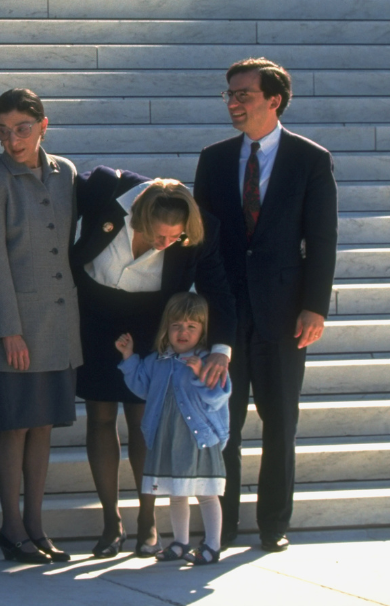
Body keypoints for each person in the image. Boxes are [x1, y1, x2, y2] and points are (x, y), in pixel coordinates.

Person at [194, 57, 337, 553]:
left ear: (273, 100)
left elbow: (322, 240)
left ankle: (274, 524)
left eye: (244, 95)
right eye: (229, 95)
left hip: (284, 314)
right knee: (223, 425)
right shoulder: (213, 159)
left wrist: (314, 307)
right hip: (227, 314)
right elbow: (201, 241)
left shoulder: (310, 159)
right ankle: (223, 527)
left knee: (280, 423)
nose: (233, 103)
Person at [72, 169, 235, 558]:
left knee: (145, 419)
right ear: (138, 215)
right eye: (158, 235)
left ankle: (148, 521)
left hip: (152, 321)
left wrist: (221, 349)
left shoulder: (198, 229)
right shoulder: (104, 192)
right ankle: (112, 523)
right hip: (95, 316)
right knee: (100, 416)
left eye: (173, 237)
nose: (166, 243)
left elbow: (219, 291)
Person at [0, 89, 81, 564]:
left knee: (43, 427)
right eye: (3, 129)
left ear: (43, 125)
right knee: (14, 427)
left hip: (58, 321)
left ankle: (36, 526)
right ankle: (11, 527)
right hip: (18, 326)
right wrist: (7, 330)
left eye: (22, 128)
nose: (12, 139)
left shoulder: (66, 173)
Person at [116, 292, 232, 565]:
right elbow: (142, 387)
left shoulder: (208, 361)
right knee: (177, 494)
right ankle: (180, 542)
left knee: (206, 492)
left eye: (192, 327)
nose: (183, 332)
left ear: (203, 330)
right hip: (167, 436)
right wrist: (130, 357)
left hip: (198, 440)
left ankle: (213, 545)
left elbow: (219, 397)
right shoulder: (157, 360)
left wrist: (202, 374)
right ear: (166, 328)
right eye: (177, 326)